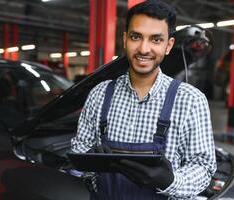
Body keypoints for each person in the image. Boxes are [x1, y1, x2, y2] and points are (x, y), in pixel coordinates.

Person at [71, 0, 217, 199]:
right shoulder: (99, 94)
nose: (144, 49)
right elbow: (78, 149)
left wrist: (171, 181)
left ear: (169, 45)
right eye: (135, 37)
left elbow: (204, 167)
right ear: (125, 40)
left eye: (156, 40)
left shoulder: (191, 101)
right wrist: (89, 161)